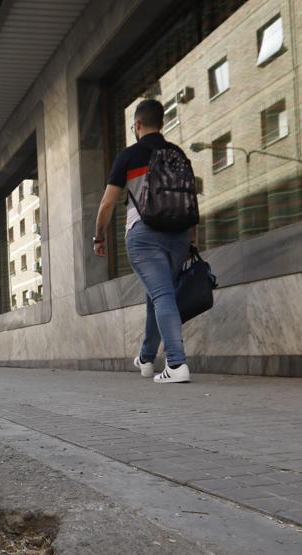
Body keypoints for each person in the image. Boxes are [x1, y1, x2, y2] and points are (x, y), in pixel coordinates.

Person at [93, 98, 194, 384]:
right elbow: (189, 200)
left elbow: (107, 204)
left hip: (145, 236)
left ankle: (176, 364)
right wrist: (190, 241)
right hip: (179, 236)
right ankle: (147, 358)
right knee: (157, 294)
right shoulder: (177, 154)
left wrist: (98, 237)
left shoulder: (129, 156)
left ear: (137, 125)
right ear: (161, 123)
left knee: (162, 295)